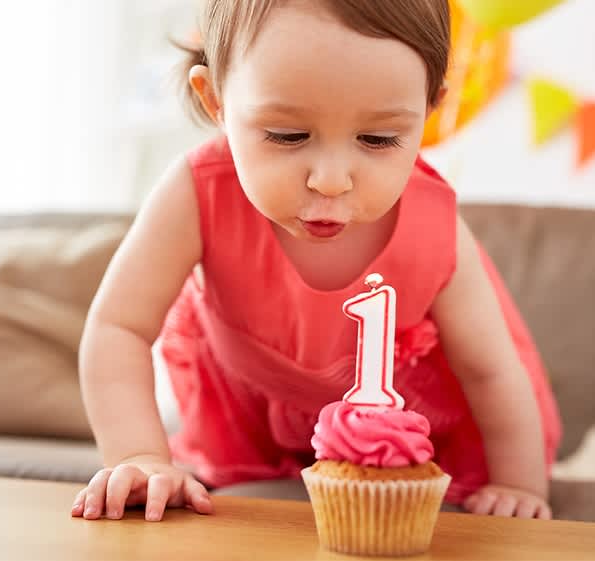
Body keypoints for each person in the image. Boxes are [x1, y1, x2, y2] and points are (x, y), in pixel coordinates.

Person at [71, 0, 562, 524]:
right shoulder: (196, 193)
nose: (330, 179)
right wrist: (139, 457)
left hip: (407, 437)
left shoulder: (435, 229)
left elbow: (490, 372)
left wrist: (519, 486)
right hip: (258, 426)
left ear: (430, 110)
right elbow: (119, 327)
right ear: (216, 101)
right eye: (287, 135)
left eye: (378, 139)